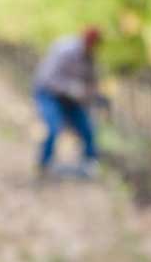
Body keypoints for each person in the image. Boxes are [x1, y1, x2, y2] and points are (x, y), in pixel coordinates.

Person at [32, 27, 103, 177]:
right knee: (53, 127)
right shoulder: (65, 50)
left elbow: (91, 82)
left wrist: (92, 95)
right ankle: (44, 164)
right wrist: (69, 88)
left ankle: (89, 162)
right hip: (49, 93)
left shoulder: (90, 57)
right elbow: (47, 78)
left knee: (87, 127)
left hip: (70, 99)